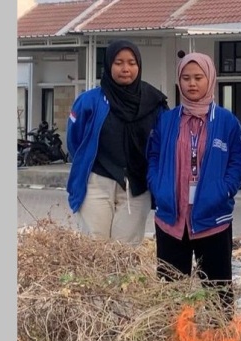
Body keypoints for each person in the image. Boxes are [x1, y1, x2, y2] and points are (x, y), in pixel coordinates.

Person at [146, 53, 241, 314]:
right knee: (171, 293)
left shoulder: (226, 122)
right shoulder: (167, 120)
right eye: (186, 78)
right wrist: (158, 187)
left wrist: (225, 189)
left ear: (210, 79)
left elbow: (237, 160)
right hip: (172, 220)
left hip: (213, 220)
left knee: (218, 293)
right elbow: (154, 156)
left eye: (198, 78)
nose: (192, 84)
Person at [66, 40, 168, 246]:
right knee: (95, 247)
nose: (125, 68)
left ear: (139, 66)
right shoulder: (89, 101)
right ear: (108, 65)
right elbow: (74, 141)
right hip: (96, 181)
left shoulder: (154, 102)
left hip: (137, 186)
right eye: (119, 62)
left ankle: (119, 281)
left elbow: (162, 144)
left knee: (125, 250)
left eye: (131, 63)